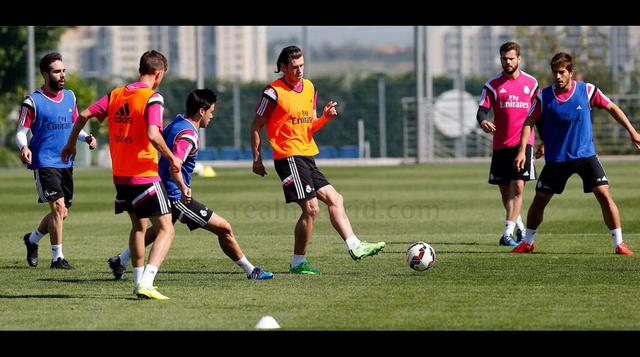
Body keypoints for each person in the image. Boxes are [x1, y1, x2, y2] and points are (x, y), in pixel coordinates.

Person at [107, 89, 273, 281]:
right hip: (175, 195)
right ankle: (251, 271)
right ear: (201, 111)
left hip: (160, 188)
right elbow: (175, 165)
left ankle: (120, 260)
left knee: (157, 230)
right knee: (224, 228)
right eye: (211, 111)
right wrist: (183, 187)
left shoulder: (176, 123)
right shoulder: (188, 135)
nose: (212, 116)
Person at [250, 45, 385, 275]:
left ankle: (355, 245)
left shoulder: (310, 87)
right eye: (294, 67)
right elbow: (256, 126)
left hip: (306, 154)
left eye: (302, 65)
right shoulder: (272, 93)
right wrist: (257, 159)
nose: (300, 70)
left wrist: (325, 118)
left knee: (335, 198)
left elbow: (310, 126)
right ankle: (298, 263)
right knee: (312, 209)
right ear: (283, 68)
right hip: (288, 156)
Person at [62, 50, 181, 299]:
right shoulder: (153, 98)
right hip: (144, 175)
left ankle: (139, 282)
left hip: (121, 178)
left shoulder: (116, 94)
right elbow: (152, 134)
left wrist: (71, 144)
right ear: (159, 73)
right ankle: (146, 281)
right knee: (167, 230)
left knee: (139, 227)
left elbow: (84, 114)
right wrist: (171, 158)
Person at [512, 52, 640, 255]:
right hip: (557, 160)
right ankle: (528, 241)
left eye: (562, 72)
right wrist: (521, 151)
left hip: (585, 156)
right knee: (539, 199)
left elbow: (612, 107)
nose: (558, 76)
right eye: (555, 72)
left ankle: (619, 243)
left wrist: (633, 132)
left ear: (571, 72)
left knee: (604, 194)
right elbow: (528, 121)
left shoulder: (587, 90)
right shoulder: (543, 96)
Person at [16, 52, 97, 270]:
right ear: (45, 74)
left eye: (63, 71)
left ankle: (32, 240)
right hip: (44, 161)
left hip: (66, 162)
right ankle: (57, 258)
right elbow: (21, 131)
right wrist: (23, 146)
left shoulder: (70, 97)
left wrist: (86, 137)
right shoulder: (33, 101)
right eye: (56, 71)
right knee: (58, 209)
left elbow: (73, 127)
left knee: (62, 213)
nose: (62, 75)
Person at [476, 41, 542, 247]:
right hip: (501, 145)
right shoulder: (492, 85)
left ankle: (507, 233)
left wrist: (544, 141)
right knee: (506, 191)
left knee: (519, 187)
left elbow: (539, 115)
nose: (508, 62)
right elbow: (481, 110)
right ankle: (518, 226)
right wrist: (483, 121)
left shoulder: (531, 84)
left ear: (519, 59)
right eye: (504, 58)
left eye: (511, 58)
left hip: (524, 144)